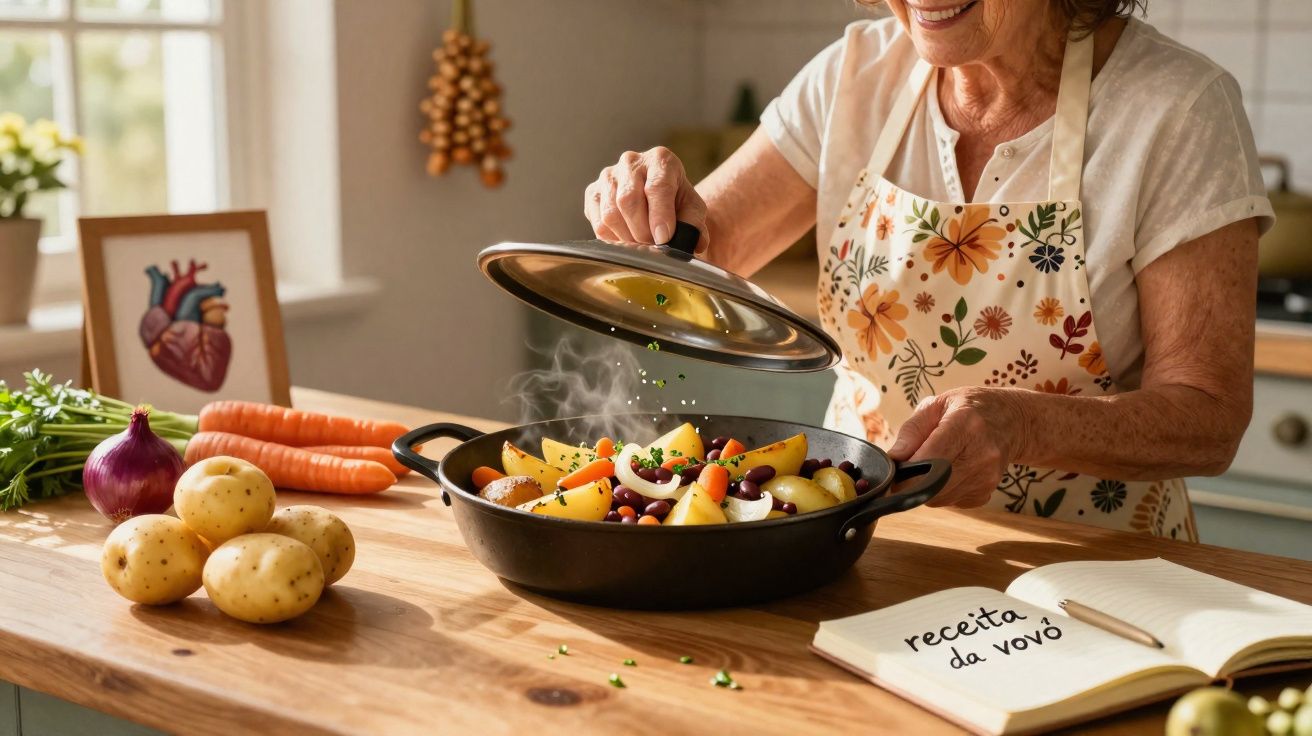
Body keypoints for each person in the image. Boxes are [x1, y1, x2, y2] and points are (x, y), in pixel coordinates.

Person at [583, 0, 1274, 539]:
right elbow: (705, 251)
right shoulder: (851, 77)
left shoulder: (1177, 109)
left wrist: (1020, 426)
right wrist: (651, 202)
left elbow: (1208, 417)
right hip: (868, 543)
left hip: (1098, 575)